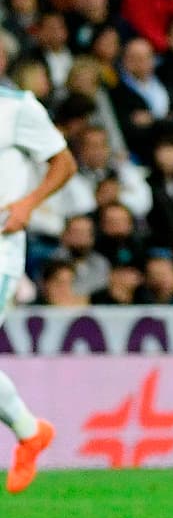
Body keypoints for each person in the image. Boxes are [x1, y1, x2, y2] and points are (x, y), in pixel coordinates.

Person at [0, 85, 77, 493]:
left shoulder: (17, 107)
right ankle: (31, 432)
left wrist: (28, 203)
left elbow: (64, 164)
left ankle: (30, 431)